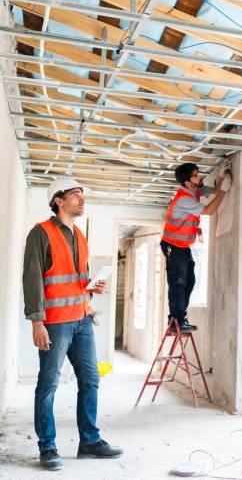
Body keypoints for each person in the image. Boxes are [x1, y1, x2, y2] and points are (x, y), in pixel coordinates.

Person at [23, 177, 123, 471]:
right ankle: (48, 447)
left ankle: (89, 441)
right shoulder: (40, 233)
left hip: (81, 320)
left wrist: (92, 288)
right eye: (76, 195)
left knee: (91, 380)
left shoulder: (79, 235)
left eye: (83, 195)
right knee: (48, 384)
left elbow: (76, 279)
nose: (82, 199)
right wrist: (36, 322)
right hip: (54, 324)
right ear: (58, 200)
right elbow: (33, 280)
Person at [161, 163, 231, 332]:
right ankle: (176, 321)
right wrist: (224, 191)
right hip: (173, 246)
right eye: (195, 175)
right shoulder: (184, 199)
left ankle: (178, 317)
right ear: (187, 182)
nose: (199, 177)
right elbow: (209, 210)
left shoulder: (194, 191)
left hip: (182, 246)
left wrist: (221, 177)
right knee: (178, 282)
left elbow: (212, 190)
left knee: (189, 281)